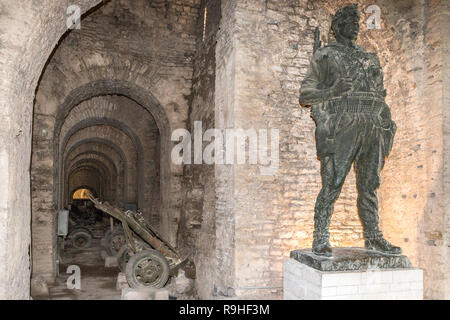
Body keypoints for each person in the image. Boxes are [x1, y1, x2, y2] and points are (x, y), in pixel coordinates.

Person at [299, 4, 401, 256]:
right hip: (343, 124)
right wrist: (332, 91)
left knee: (369, 185)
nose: (355, 25)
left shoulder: (369, 58)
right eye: (349, 20)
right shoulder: (325, 55)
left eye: (357, 21)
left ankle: (374, 236)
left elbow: (380, 94)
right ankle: (321, 236)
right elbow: (305, 94)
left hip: (371, 124)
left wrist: (385, 120)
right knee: (332, 183)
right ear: (336, 27)